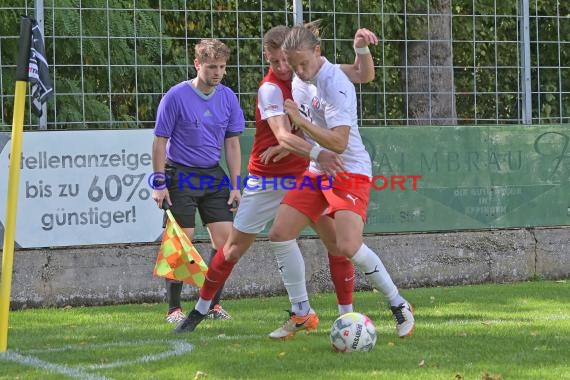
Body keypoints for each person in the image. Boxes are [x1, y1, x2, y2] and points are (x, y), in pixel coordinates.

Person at [174, 26, 379, 338]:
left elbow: (361, 76)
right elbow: (284, 132)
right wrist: (311, 150)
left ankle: (343, 318)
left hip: (306, 175)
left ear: (299, 53)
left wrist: (362, 48)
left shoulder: (315, 74)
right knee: (230, 250)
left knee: (337, 244)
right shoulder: (271, 89)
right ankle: (200, 310)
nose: (283, 68)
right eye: (274, 62)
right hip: (266, 179)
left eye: (286, 60)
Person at [274, 25, 415, 338]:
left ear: (317, 51)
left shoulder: (335, 83)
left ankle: (398, 304)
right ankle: (301, 311)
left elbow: (338, 143)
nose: (298, 71)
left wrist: (300, 122)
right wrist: (361, 50)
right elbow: (363, 74)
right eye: (293, 65)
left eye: (303, 64)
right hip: (317, 171)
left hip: (349, 170)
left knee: (348, 245)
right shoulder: (303, 78)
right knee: (280, 233)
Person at [151, 38, 244, 323]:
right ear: (197, 64)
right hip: (179, 174)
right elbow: (159, 141)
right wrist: (159, 183)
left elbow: (232, 144)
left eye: (222, 67)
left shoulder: (228, 97)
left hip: (213, 175)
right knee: (181, 240)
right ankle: (174, 309)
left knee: (227, 242)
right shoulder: (176, 96)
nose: (217, 72)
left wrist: (236, 185)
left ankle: (212, 305)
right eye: (212, 66)